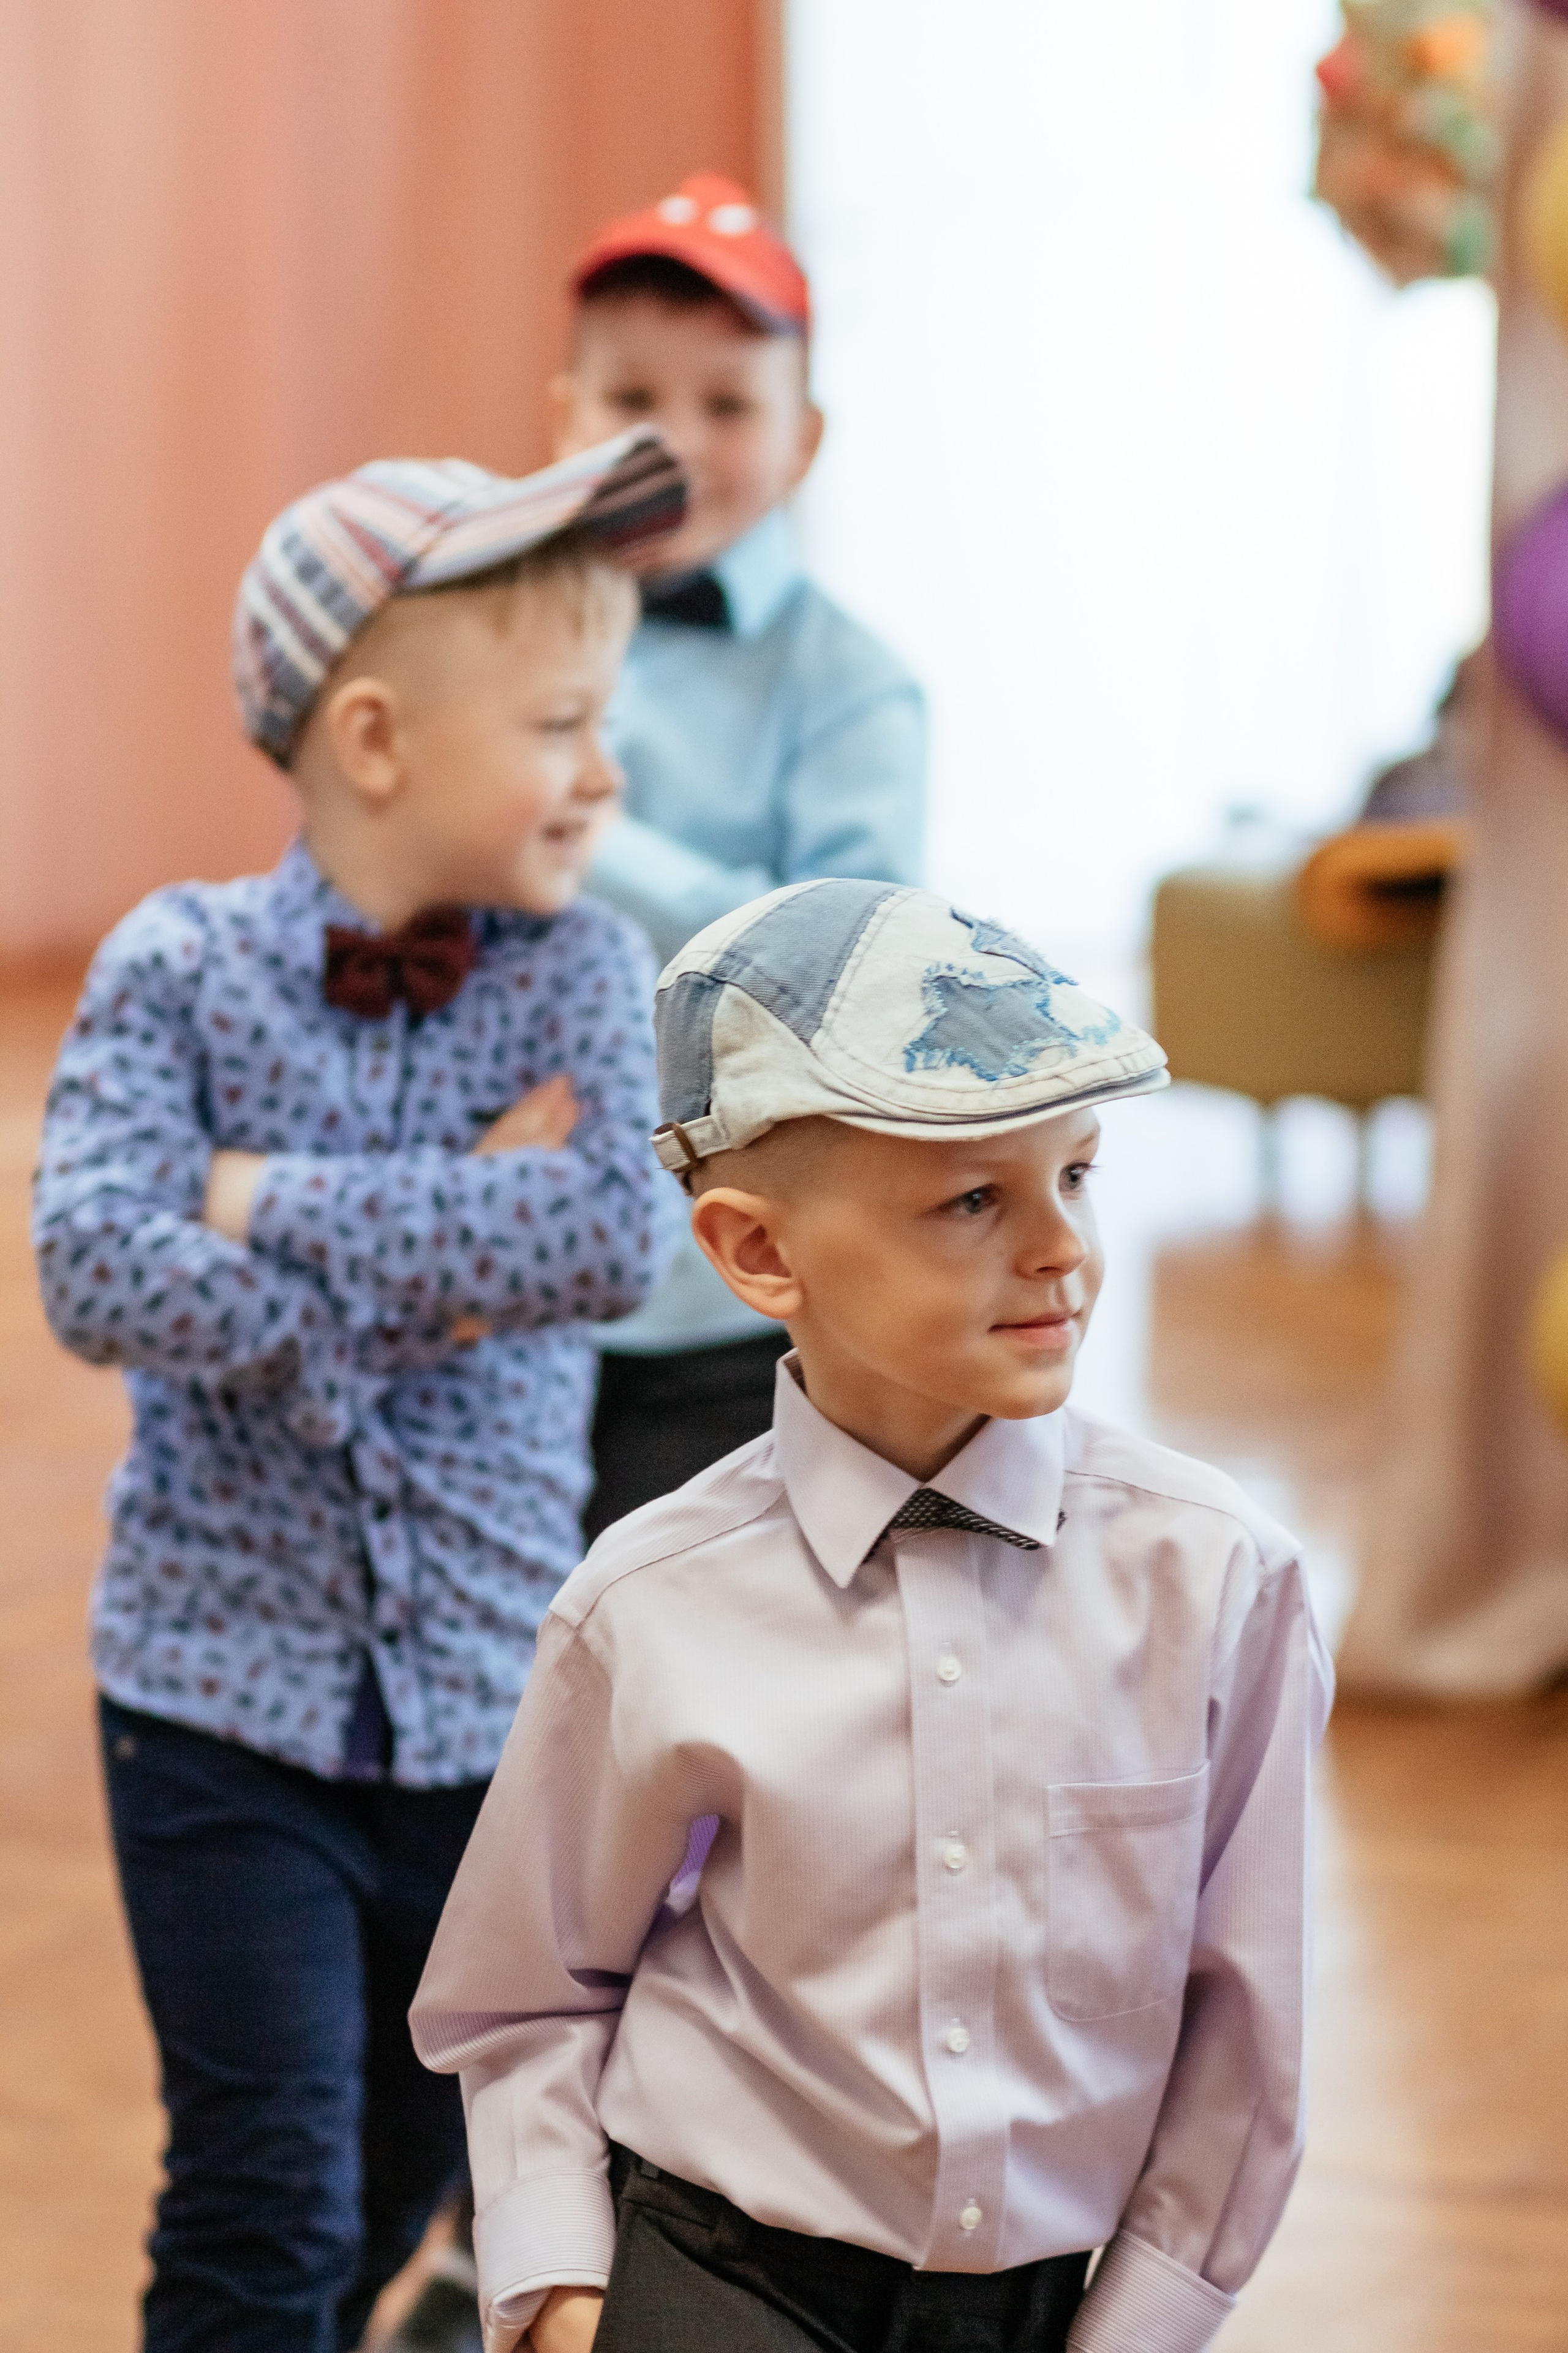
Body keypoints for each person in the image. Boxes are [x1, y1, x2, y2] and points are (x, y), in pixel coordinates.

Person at [412, 879, 1335, 2353]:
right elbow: (525, 1987)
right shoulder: (644, 1606)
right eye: (974, 1198)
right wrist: (560, 2289)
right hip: (722, 2273)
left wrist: (1146, 2320)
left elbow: (1247, 2024)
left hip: (1052, 2303)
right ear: (756, 1253)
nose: (1060, 1250)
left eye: (1076, 1175)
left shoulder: (1219, 1580)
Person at [32, 430, 688, 2353]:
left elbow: (593, 1241)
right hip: (215, 1716)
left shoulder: (584, 977)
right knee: (264, 2190)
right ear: (382, 740)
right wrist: (424, 1270)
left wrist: (265, 1203)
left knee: (396, 2198)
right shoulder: (174, 970)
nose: (607, 769)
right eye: (561, 720)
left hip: (489, 1735)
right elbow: (92, 1262)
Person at [549, 174, 927, 1539]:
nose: (674, 443)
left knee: (698, 1643)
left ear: (804, 436)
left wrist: (587, 835)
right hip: (497, 1267)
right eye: (630, 399)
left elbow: (842, 965)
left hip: (714, 1294)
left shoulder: (851, 686)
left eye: (727, 406)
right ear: (565, 415)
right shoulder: (501, 638)